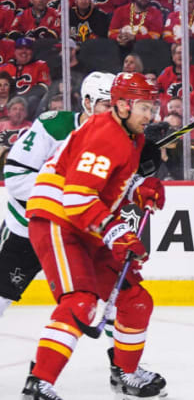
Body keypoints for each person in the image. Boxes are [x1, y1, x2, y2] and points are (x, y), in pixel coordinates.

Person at [19, 72, 167, 399]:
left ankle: (126, 374)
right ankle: (39, 383)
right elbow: (76, 196)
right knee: (81, 300)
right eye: (145, 107)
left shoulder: (131, 138)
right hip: (58, 219)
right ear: (124, 106)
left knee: (135, 300)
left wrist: (139, 189)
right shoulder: (107, 134)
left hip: (86, 224)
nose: (151, 114)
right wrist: (116, 232)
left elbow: (106, 185)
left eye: (153, 106)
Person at [0, 72, 113, 320]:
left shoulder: (116, 138)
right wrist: (70, 197)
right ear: (87, 102)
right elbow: (16, 179)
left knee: (116, 292)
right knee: (2, 293)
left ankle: (121, 357)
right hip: (29, 227)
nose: (114, 112)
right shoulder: (53, 126)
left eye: (118, 106)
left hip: (79, 232)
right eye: (107, 105)